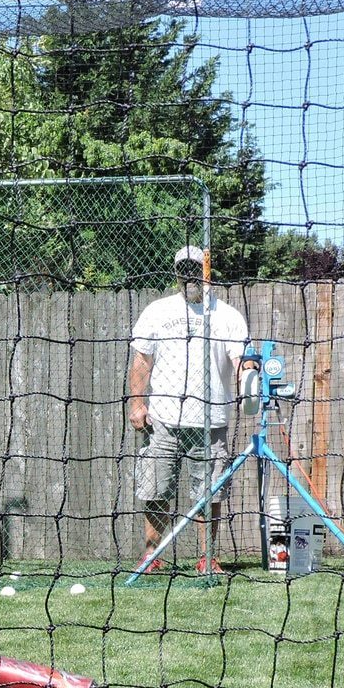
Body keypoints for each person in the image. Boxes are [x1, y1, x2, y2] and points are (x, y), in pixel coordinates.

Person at [126, 245, 258, 574]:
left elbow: (240, 360)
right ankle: (151, 557)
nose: (189, 275)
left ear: (206, 272)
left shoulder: (227, 316)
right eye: (183, 269)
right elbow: (142, 360)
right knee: (155, 490)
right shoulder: (157, 311)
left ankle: (207, 558)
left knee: (209, 495)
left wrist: (249, 383)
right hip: (163, 420)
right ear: (176, 274)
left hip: (211, 421)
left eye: (194, 269)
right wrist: (138, 403)